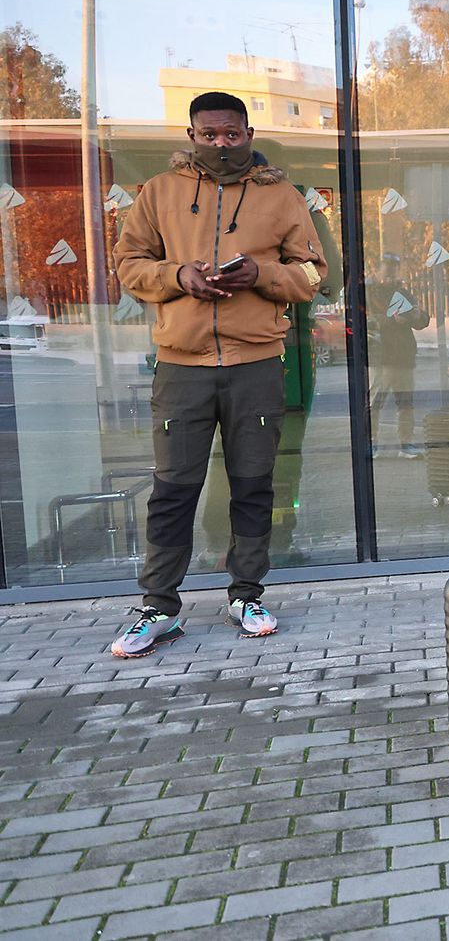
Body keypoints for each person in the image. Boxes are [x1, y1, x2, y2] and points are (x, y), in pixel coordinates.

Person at [110, 91, 327, 657]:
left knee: (253, 484)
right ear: (192, 136)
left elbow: (313, 273)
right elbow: (128, 263)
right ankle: (159, 607)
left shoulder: (282, 196)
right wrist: (178, 276)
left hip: (256, 363)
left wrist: (262, 274)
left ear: (249, 133)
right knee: (172, 489)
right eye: (209, 135)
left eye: (231, 134)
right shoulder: (160, 192)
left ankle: (247, 595)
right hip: (181, 364)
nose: (221, 144)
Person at [366, 251, 428, 458]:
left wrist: (418, 316)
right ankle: (371, 442)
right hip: (380, 356)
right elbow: (367, 321)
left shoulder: (403, 293)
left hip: (403, 357)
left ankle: (406, 443)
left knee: (406, 403)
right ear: (377, 269)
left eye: (393, 269)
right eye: (386, 268)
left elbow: (421, 319)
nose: (390, 273)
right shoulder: (368, 292)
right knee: (374, 403)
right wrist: (392, 320)